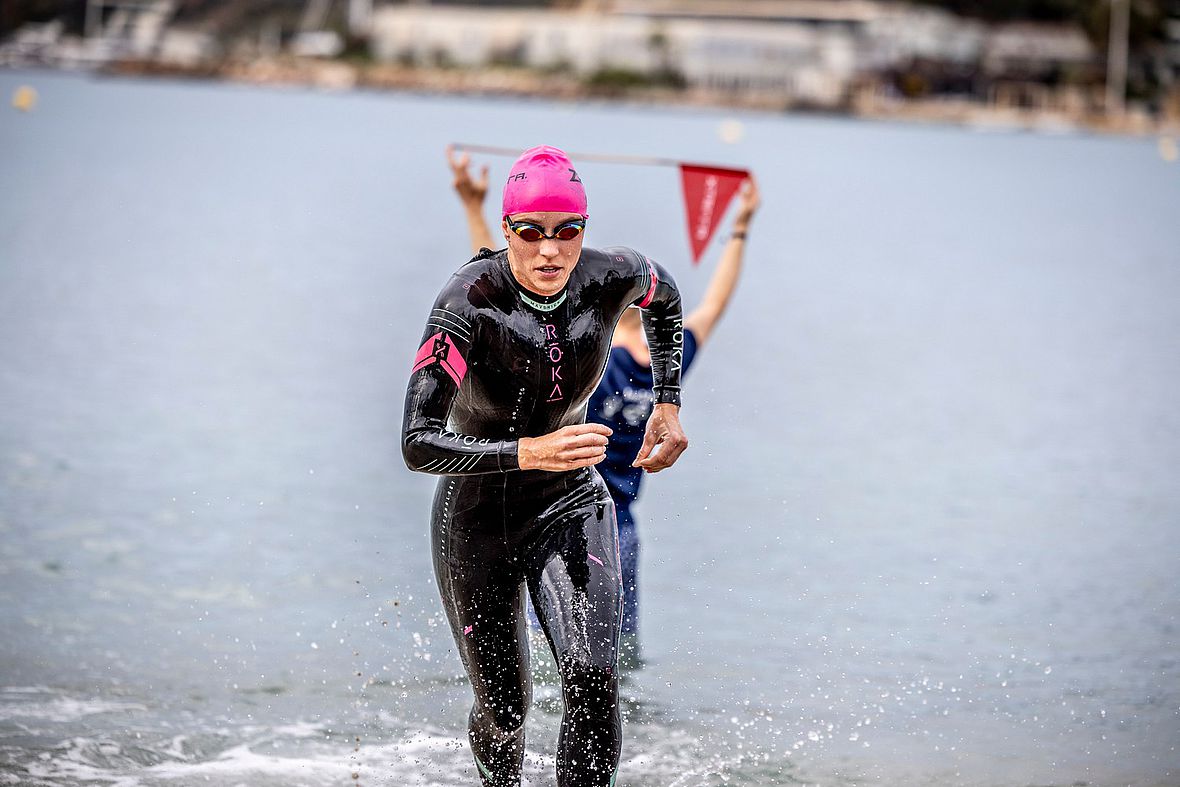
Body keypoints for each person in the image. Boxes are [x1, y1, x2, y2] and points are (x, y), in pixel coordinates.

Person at [403, 145, 689, 787]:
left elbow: (666, 296)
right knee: (505, 710)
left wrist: (668, 402)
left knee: (593, 678)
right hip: (477, 517)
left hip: (570, 500)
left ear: (584, 230)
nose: (550, 252)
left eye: (567, 232)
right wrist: (526, 451)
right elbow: (417, 442)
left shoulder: (612, 275)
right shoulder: (466, 306)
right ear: (507, 231)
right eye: (530, 233)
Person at [446, 145, 759, 658]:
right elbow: (713, 304)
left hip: (575, 514)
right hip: (600, 519)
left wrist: (472, 210)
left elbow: (509, 292)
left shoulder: (581, 352)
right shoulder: (666, 361)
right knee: (607, 654)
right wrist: (741, 227)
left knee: (565, 652)